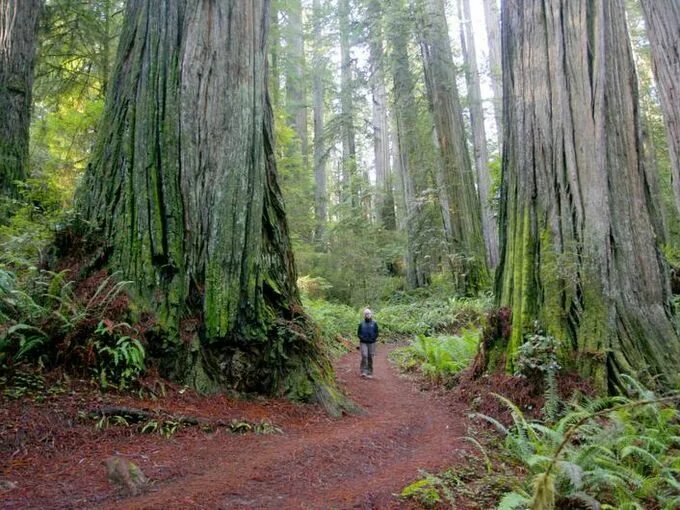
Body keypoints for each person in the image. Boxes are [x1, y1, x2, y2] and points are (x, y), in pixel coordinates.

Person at [357, 308, 379, 378]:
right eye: (366, 314)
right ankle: (363, 371)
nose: (367, 315)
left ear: (371, 314)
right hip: (363, 342)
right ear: (364, 315)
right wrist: (362, 338)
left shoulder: (374, 323)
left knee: (370, 357)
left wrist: (373, 338)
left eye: (369, 313)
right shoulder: (361, 324)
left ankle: (370, 372)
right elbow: (359, 333)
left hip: (372, 343)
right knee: (364, 355)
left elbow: (376, 332)